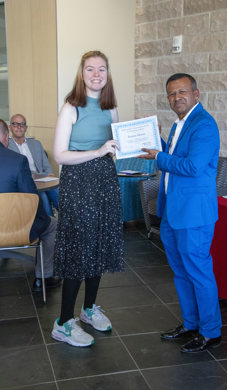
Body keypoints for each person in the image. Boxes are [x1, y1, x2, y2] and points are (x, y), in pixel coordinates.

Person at [138, 73, 222, 353]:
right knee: (180, 272)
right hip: (173, 212)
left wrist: (159, 157)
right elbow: (174, 157)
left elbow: (193, 167)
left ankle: (211, 332)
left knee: (198, 272)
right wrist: (158, 141)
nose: (177, 98)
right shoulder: (179, 124)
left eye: (182, 92)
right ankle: (190, 324)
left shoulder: (204, 125)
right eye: (172, 94)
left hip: (194, 215)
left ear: (196, 94)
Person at [51, 50, 124, 347]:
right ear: (82, 74)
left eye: (102, 69)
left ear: (107, 74)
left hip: (105, 182)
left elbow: (114, 149)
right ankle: (63, 322)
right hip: (78, 184)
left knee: (100, 246)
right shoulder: (71, 107)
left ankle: (88, 310)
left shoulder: (111, 107)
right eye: (90, 69)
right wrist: (97, 152)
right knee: (79, 251)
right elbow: (59, 155)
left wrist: (130, 145)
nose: (97, 74)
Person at [0, 119, 61, 291]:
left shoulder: (31, 147)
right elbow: (30, 198)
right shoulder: (18, 161)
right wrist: (42, 219)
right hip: (17, 228)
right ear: (6, 137)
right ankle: (43, 277)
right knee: (52, 224)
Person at [8, 114, 59, 216]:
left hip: (41, 178)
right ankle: (49, 225)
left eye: (22, 124)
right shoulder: (7, 146)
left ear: (26, 128)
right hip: (24, 181)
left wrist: (50, 175)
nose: (19, 127)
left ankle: (68, 221)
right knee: (42, 196)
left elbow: (47, 166)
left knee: (56, 191)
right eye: (15, 124)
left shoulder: (36, 144)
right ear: (10, 127)